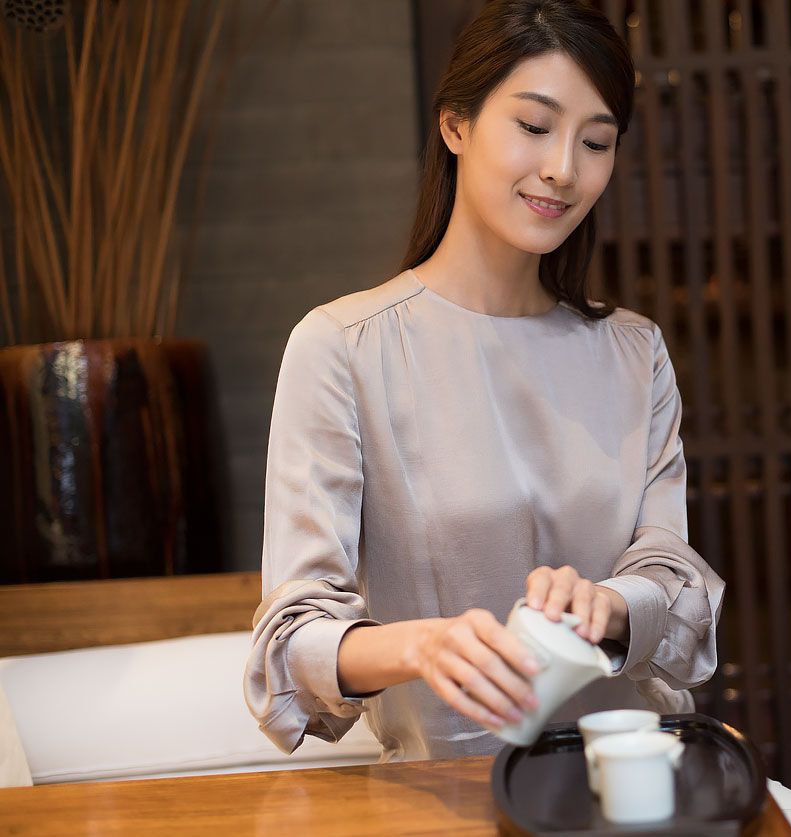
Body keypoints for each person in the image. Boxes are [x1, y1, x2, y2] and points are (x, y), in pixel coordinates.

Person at [244, 0, 725, 762]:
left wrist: (611, 603)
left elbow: (671, 575)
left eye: (594, 142)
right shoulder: (343, 348)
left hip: (627, 782)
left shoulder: (634, 353)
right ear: (455, 126)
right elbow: (293, 636)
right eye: (533, 127)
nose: (563, 168)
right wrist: (420, 645)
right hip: (446, 798)